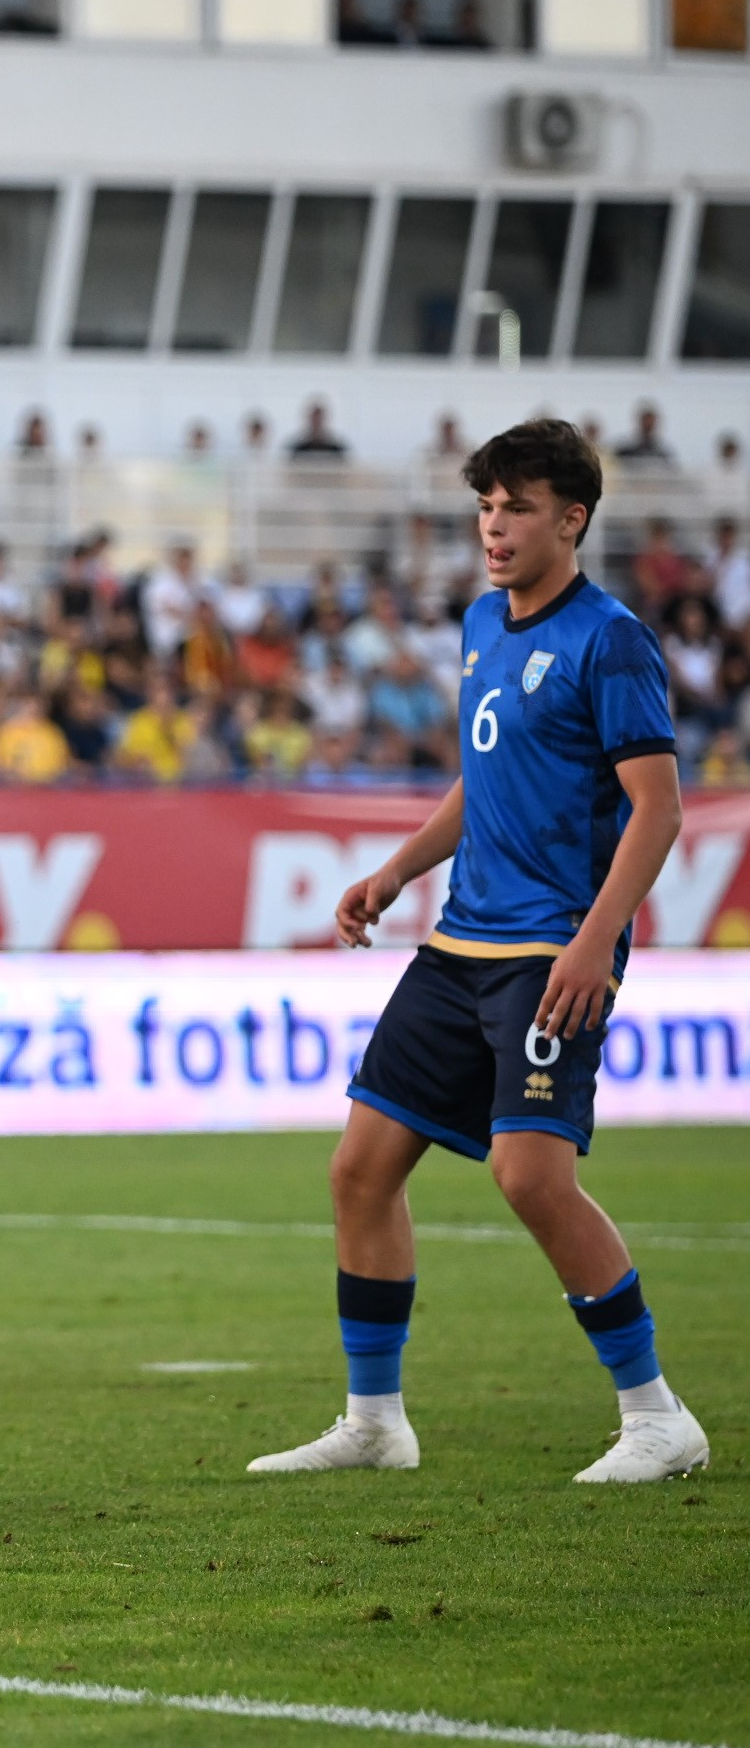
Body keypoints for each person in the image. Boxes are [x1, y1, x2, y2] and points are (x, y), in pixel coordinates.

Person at [250, 420, 708, 1487]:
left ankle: (656, 1417)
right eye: (485, 508)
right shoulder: (478, 625)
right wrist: (398, 870)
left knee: (529, 1175)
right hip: (458, 943)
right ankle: (373, 1423)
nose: (493, 528)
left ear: (571, 519)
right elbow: (483, 778)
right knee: (359, 1168)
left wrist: (596, 941)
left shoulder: (612, 640)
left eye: (517, 509)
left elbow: (658, 808)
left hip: (551, 952)